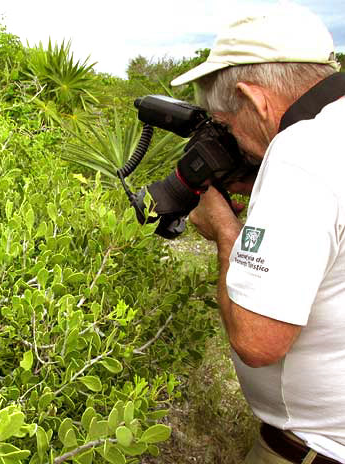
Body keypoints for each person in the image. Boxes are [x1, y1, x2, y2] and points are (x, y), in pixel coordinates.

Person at [170, 3, 345, 464]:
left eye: (228, 125)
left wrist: (226, 230)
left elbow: (257, 340)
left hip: (319, 449)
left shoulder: (301, 151)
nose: (233, 143)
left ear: (252, 98)